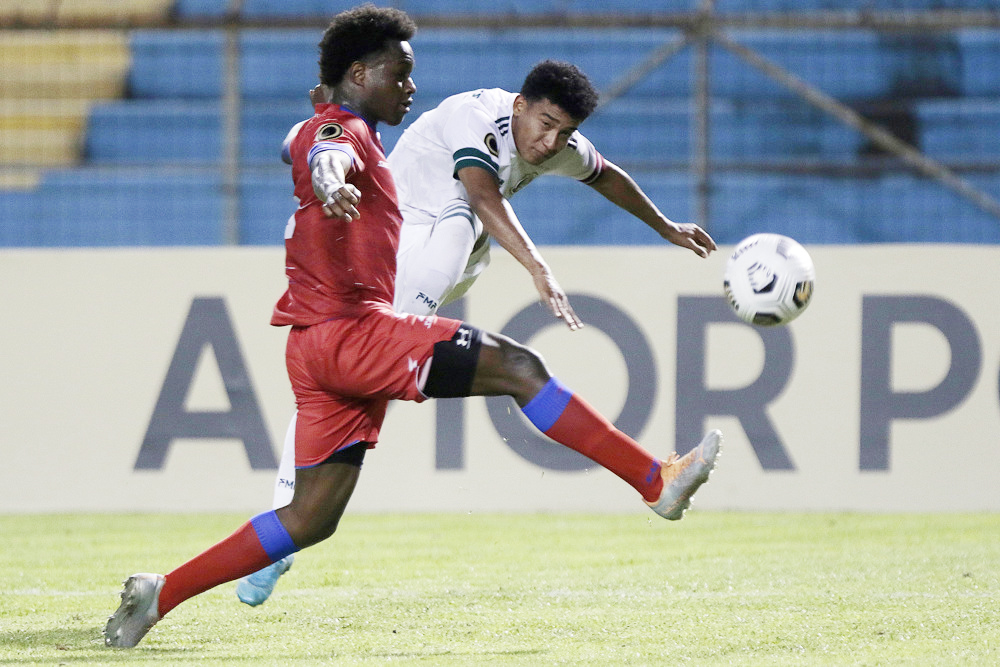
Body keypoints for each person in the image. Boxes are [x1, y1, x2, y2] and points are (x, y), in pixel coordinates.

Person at [103, 4, 721, 649]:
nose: (411, 87)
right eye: (401, 74)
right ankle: (655, 480)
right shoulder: (357, 132)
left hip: (313, 345)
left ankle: (159, 594)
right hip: (357, 331)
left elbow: (306, 140)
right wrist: (328, 170)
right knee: (518, 366)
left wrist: (665, 228)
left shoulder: (339, 127)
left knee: (311, 519)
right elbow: (332, 151)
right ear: (361, 73)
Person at [236, 60, 721, 606]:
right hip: (399, 242)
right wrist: (539, 267)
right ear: (519, 105)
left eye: (564, 132)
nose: (550, 141)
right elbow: (485, 196)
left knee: (356, 379)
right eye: (544, 124)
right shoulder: (476, 116)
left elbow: (605, 174)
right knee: (457, 225)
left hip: (449, 257)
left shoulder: (555, 139)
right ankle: (282, 531)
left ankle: (283, 528)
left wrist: (666, 226)